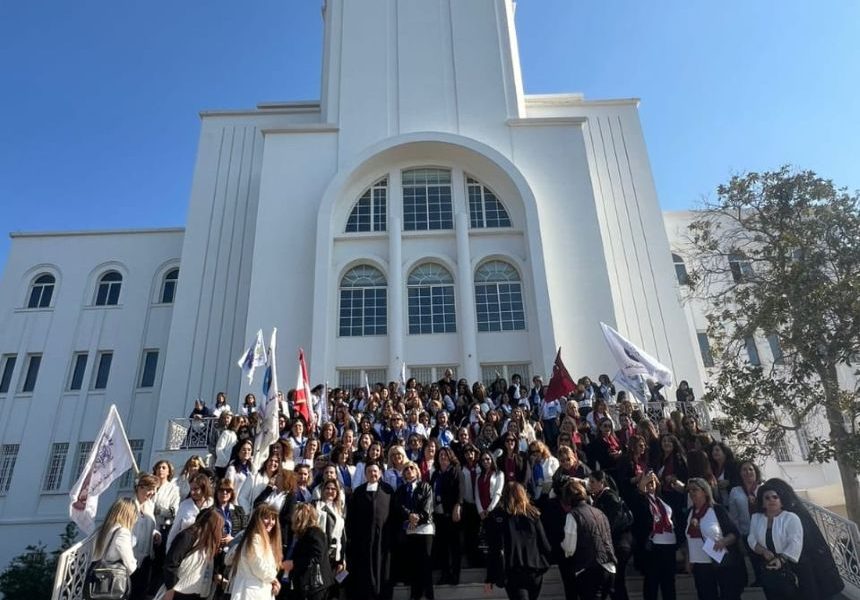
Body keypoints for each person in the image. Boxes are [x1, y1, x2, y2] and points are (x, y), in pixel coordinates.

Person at [483, 482, 552, 600]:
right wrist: (544, 564)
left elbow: (494, 548)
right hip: (534, 569)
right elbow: (544, 544)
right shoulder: (533, 514)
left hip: (513, 570)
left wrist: (490, 578)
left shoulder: (498, 516)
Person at [684, 477, 746, 600]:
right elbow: (689, 538)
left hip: (721, 561)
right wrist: (688, 559)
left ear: (705, 492)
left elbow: (734, 533)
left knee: (729, 595)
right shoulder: (690, 513)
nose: (691, 493)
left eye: (695, 490)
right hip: (700, 564)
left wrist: (723, 541)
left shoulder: (717, 510)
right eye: (689, 491)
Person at [346, 462, 395, 600]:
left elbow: (393, 514)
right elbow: (352, 516)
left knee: (382, 569)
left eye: (375, 471)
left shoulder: (388, 490)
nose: (372, 474)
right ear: (365, 474)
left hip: (383, 539)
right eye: (369, 471)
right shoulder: (359, 492)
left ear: (380, 473)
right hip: (363, 539)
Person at [560, 480, 616, 600]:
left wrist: (562, 545)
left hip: (590, 568)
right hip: (609, 567)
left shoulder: (573, 515)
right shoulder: (599, 512)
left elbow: (569, 548)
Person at [748, 481, 804, 600]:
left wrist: (781, 559)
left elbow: (795, 541)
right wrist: (763, 551)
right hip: (766, 564)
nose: (771, 500)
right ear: (762, 503)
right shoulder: (756, 518)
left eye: (775, 497)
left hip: (787, 565)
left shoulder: (791, 518)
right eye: (767, 498)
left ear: (781, 501)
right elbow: (751, 538)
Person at [631, 471, 677, 600]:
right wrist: (641, 487)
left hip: (669, 545)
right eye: (647, 482)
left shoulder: (664, 499)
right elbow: (636, 507)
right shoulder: (640, 499)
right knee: (651, 584)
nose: (650, 485)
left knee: (669, 585)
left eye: (652, 482)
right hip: (652, 547)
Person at [393, 461, 435, 600]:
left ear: (417, 471)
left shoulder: (425, 486)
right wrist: (409, 516)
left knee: (426, 564)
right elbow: (399, 506)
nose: (409, 470)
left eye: (412, 468)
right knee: (414, 565)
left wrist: (417, 518)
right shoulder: (401, 490)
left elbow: (427, 507)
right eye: (406, 469)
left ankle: (429, 595)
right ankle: (415, 595)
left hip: (424, 529)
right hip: (410, 530)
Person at [589, 470, 633, 600]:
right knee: (614, 583)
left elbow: (612, 522)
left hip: (619, 543)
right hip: (615, 543)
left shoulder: (609, 497)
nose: (590, 485)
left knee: (617, 582)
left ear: (601, 482)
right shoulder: (600, 497)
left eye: (593, 482)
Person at [163, 508, 224, 600]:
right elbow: (171, 563)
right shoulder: (188, 536)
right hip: (179, 591)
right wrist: (170, 589)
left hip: (196, 592)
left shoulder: (209, 542)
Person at [227, 504, 282, 600]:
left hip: (257, 591)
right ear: (258, 520)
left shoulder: (262, 540)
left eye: (273, 519)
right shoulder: (255, 539)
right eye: (266, 518)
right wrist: (273, 579)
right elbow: (260, 568)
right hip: (251, 592)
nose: (271, 522)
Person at [283, 503, 335, 600]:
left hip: (316, 587)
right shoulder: (304, 534)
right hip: (310, 586)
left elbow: (316, 557)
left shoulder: (314, 533)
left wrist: (294, 563)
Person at [430, 446, 463, 585]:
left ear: (450, 457)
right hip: (439, 515)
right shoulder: (435, 474)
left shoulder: (455, 471)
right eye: (440, 455)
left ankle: (455, 575)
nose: (442, 457)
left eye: (445, 454)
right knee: (442, 547)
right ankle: (445, 574)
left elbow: (460, 490)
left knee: (455, 546)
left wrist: (458, 506)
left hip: (452, 513)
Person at [212, 479, 248, 598]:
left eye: (228, 490)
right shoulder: (209, 512)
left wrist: (232, 539)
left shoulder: (239, 511)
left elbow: (245, 532)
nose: (225, 493)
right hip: (215, 555)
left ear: (232, 493)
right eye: (221, 490)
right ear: (216, 492)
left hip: (233, 555)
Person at [91, 497, 138, 583]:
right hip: (110, 581)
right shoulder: (123, 532)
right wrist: (135, 563)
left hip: (94, 576)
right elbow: (130, 564)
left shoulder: (100, 530)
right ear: (130, 515)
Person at [167, 473, 214, 550]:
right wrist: (168, 549)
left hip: (203, 550)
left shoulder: (212, 505)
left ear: (204, 488)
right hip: (183, 549)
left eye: (196, 489)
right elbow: (174, 530)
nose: (192, 492)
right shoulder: (185, 505)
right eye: (191, 489)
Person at [130, 474, 159, 600]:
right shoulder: (129, 505)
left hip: (146, 557)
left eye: (154, 489)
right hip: (131, 558)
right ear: (140, 488)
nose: (152, 493)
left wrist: (156, 534)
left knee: (141, 593)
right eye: (150, 489)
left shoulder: (149, 505)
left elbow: (149, 526)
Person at [315, 479, 347, 580]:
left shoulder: (339, 509)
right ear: (322, 490)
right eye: (327, 488)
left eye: (333, 489)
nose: (330, 491)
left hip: (335, 554)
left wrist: (342, 560)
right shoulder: (316, 506)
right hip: (320, 552)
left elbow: (342, 536)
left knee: (333, 585)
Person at [475, 450, 504, 520]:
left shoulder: (499, 474)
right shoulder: (478, 476)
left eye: (487, 459)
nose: (485, 461)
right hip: (482, 511)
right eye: (483, 460)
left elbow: (498, 492)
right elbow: (476, 494)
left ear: (492, 459)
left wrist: (489, 509)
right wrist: (480, 511)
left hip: (494, 508)